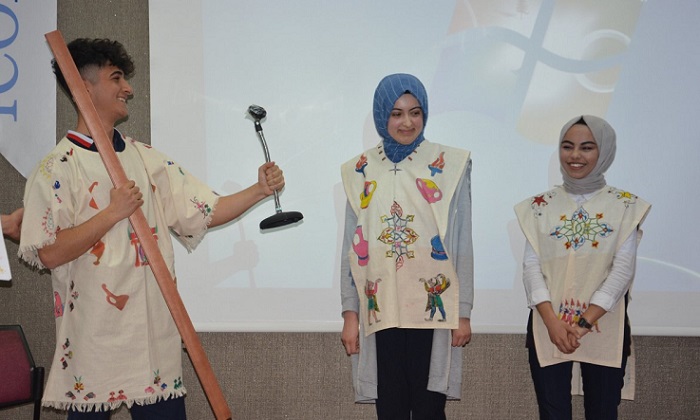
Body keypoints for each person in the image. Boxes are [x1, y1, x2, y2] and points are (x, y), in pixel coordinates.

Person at [18, 38, 285, 419]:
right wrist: (112, 213)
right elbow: (48, 252)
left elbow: (205, 209)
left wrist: (258, 190)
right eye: (116, 78)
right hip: (94, 344)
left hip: (153, 347)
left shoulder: (145, 158)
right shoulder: (57, 167)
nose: (128, 88)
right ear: (84, 87)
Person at [340, 73, 473, 420]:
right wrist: (350, 314)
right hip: (381, 312)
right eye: (396, 113)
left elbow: (462, 242)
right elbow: (351, 248)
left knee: (430, 410)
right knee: (391, 409)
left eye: (415, 112)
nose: (407, 122)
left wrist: (463, 313)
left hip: (432, 310)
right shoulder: (360, 170)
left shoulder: (451, 165)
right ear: (382, 115)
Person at [514, 115, 651, 420]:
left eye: (587, 147)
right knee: (553, 413)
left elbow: (622, 271)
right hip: (547, 323)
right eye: (567, 146)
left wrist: (583, 323)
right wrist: (552, 322)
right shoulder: (539, 206)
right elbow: (531, 267)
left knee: (602, 412)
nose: (575, 155)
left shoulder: (626, 206)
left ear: (604, 151)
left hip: (604, 323)